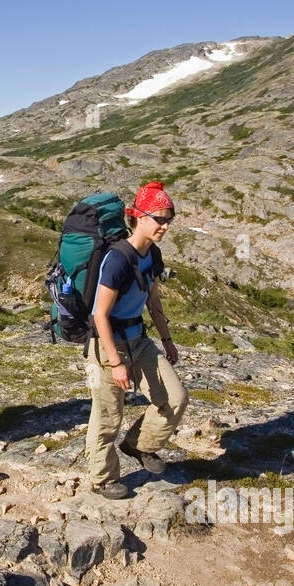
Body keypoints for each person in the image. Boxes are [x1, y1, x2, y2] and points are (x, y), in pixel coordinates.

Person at [85, 182, 188, 499]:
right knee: (107, 417)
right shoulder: (117, 259)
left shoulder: (152, 255)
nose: (165, 226)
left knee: (176, 398)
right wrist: (115, 363)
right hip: (106, 347)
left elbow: (152, 301)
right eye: (159, 218)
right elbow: (99, 314)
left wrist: (167, 339)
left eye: (168, 219)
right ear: (138, 217)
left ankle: (138, 445)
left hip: (139, 339)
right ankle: (102, 479)